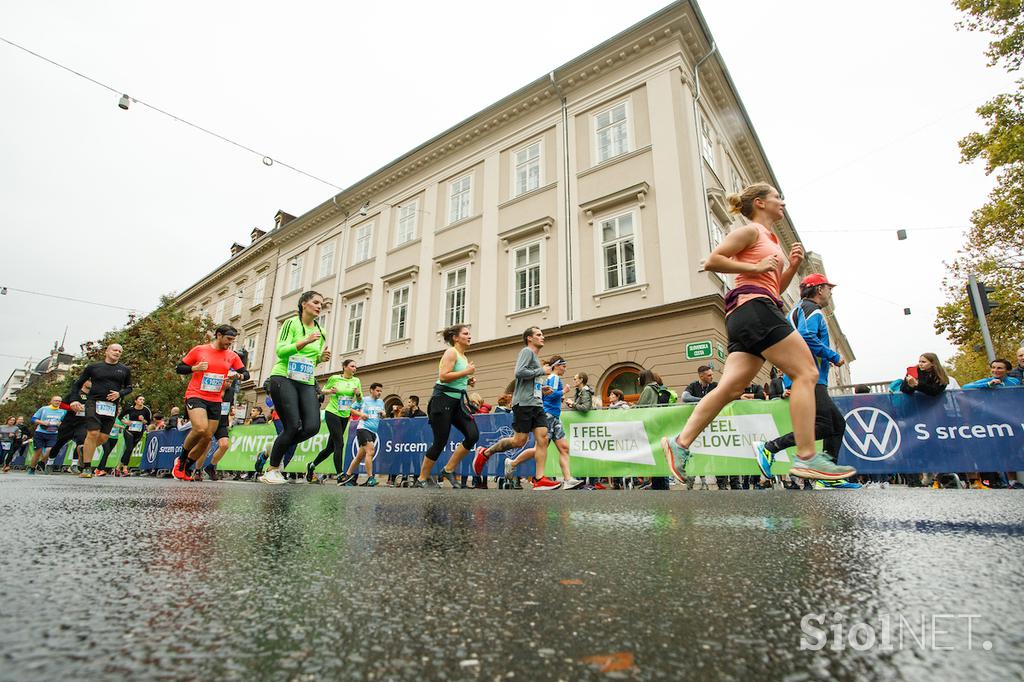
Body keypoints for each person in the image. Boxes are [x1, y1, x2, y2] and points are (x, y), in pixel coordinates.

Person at [662, 183, 855, 483]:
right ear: (761, 203)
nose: (782, 202)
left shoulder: (770, 241)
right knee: (806, 372)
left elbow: (774, 287)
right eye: (777, 197)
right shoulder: (751, 231)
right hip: (755, 309)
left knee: (730, 389)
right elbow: (712, 260)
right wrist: (755, 268)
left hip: (749, 312)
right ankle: (806, 456)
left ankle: (679, 444)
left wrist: (790, 266)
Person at [750, 273, 858, 490]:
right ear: (819, 289)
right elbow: (806, 336)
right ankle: (770, 447)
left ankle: (826, 474)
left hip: (805, 375)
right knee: (827, 425)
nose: (830, 292)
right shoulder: (812, 309)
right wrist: (834, 356)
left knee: (837, 424)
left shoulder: (797, 309)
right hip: (809, 375)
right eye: (829, 288)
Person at [473, 327, 561, 491]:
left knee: (542, 439)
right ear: (529, 338)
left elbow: (529, 381)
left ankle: (540, 479)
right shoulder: (526, 352)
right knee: (519, 441)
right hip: (524, 404)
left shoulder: (534, 356)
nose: (543, 337)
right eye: (539, 335)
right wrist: (542, 370)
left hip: (536, 404)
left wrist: (541, 389)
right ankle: (485, 452)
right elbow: (519, 372)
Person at [261, 291, 331, 484]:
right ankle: (272, 469)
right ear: (303, 304)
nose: (319, 306)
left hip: (306, 380)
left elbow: (310, 361)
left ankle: (275, 446)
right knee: (291, 426)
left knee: (312, 427)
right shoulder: (291, 324)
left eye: (322, 303)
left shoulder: (321, 331)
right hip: (283, 377)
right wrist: (305, 341)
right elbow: (281, 351)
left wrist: (320, 359)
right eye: (316, 302)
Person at [174, 325, 246, 482]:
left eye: (233, 341)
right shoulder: (200, 350)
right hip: (196, 394)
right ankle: (181, 461)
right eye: (228, 339)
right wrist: (195, 368)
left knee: (206, 438)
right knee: (200, 428)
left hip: (215, 399)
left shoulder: (232, 356)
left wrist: (238, 376)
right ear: (219, 335)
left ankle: (187, 466)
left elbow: (244, 373)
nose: (230, 343)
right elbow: (179, 368)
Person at [413, 324, 479, 488]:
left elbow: (454, 377)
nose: (469, 336)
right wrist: (466, 373)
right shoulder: (451, 352)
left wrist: (467, 381)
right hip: (442, 401)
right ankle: (422, 478)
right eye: (465, 333)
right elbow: (443, 376)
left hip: (456, 403)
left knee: (472, 435)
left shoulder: (463, 357)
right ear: (456, 337)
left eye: (469, 333)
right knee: (440, 442)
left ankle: (448, 469)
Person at [504, 356, 583, 490]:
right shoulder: (554, 378)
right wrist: (563, 392)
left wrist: (560, 396)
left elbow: (551, 395)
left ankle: (568, 480)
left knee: (563, 448)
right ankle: (513, 463)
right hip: (548, 416)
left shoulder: (554, 378)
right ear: (557, 366)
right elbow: (549, 395)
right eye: (563, 366)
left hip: (555, 417)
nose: (565, 369)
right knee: (539, 449)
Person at [70, 343, 133, 478]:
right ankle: (87, 468)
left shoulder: (124, 370)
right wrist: (74, 400)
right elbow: (77, 384)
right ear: (107, 351)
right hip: (93, 403)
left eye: (120, 351)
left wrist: (119, 394)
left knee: (103, 437)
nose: (117, 353)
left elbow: (129, 388)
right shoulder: (93, 367)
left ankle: (83, 450)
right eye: (114, 350)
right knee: (93, 433)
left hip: (111, 407)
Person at [308, 358, 362, 484]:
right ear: (345, 367)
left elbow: (360, 401)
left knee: (330, 448)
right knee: (340, 443)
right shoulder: (334, 378)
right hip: (332, 412)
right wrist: (331, 391)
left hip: (345, 414)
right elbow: (322, 391)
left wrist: (358, 394)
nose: (355, 369)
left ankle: (311, 465)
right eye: (352, 366)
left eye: (355, 367)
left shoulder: (356, 381)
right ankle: (340, 474)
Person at [205, 347, 249, 481]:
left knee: (224, 445)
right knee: (204, 445)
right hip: (209, 420)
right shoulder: (214, 390)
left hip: (222, 422)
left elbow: (228, 407)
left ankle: (211, 466)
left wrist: (230, 419)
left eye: (231, 381)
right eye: (227, 381)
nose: (229, 383)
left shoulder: (230, 392)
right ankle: (194, 468)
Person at [31, 380, 91, 473]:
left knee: (81, 442)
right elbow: (62, 405)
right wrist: (72, 408)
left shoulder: (93, 395)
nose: (92, 383)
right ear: (84, 382)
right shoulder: (75, 393)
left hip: (82, 423)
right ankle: (49, 463)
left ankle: (75, 464)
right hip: (68, 423)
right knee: (58, 443)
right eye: (90, 381)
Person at [339, 382, 385, 487]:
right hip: (363, 428)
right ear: (371, 390)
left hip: (373, 431)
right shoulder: (363, 400)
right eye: (377, 390)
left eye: (381, 391)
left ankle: (347, 475)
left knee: (359, 456)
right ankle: (370, 478)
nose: (379, 393)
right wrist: (361, 414)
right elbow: (349, 408)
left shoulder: (381, 402)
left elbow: (383, 415)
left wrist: (383, 414)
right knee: (371, 451)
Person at [26, 396, 66, 473]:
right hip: (40, 432)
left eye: (59, 401)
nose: (57, 402)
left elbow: (63, 421)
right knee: (38, 452)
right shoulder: (44, 409)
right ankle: (32, 468)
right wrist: (42, 422)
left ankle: (41, 462)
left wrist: (60, 423)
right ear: (51, 401)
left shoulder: (63, 411)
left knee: (50, 450)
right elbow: (34, 419)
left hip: (53, 433)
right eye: (56, 400)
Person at [117, 395, 151, 477]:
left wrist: (143, 420)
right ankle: (125, 468)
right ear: (135, 401)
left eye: (143, 399)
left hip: (139, 432)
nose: (142, 401)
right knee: (129, 448)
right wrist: (126, 422)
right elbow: (120, 417)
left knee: (130, 450)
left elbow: (148, 422)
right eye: (140, 399)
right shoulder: (130, 409)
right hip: (129, 431)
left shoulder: (146, 410)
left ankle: (118, 467)